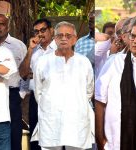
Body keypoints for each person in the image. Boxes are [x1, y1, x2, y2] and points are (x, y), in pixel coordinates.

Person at [34, 21, 95, 150]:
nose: (63, 39)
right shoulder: (43, 62)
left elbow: (89, 91)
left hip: (76, 120)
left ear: (75, 39)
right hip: (50, 120)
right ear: (55, 39)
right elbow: (38, 92)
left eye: (68, 36)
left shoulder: (83, 62)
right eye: (60, 35)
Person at [95, 17, 136, 150]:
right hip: (116, 142)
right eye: (133, 36)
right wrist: (100, 139)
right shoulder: (114, 62)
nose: (135, 41)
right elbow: (100, 101)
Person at [19, 18, 57, 150]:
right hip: (36, 100)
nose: (40, 34)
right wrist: (30, 49)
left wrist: (35, 75)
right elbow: (23, 74)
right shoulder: (33, 51)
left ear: (51, 31)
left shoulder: (60, 48)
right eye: (36, 31)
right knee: (35, 138)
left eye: (43, 30)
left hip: (55, 99)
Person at [0, 14, 27, 150]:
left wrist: (21, 94)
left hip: (12, 95)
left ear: (8, 26)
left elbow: (25, 71)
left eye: (2, 24)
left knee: (14, 135)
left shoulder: (18, 46)